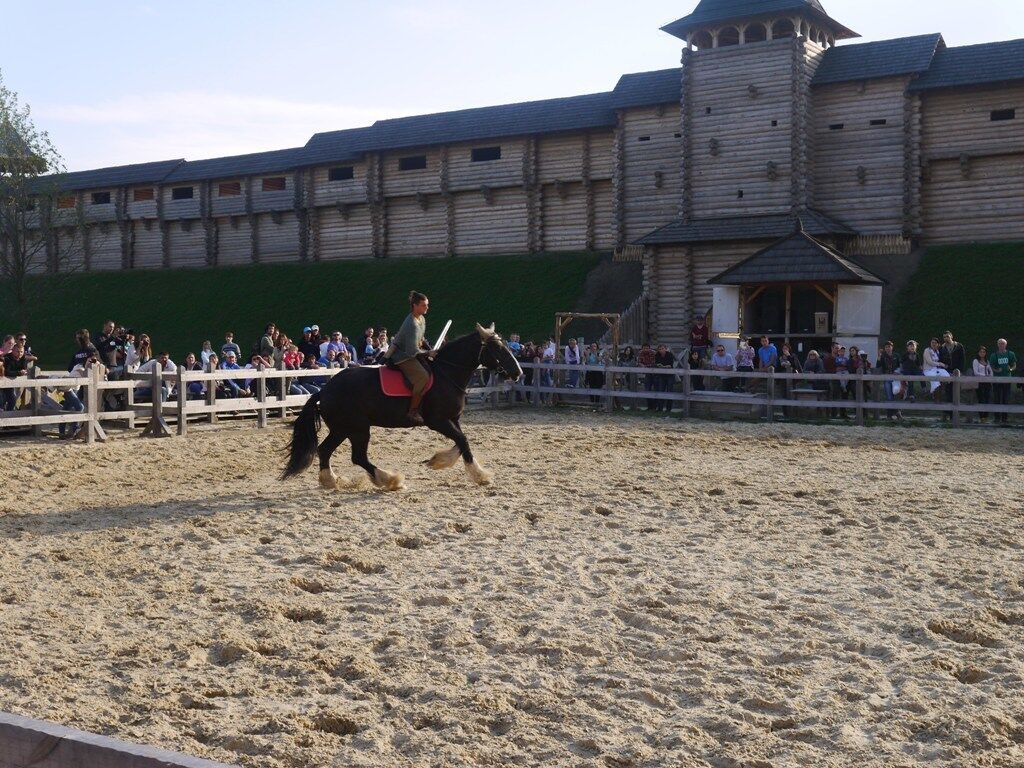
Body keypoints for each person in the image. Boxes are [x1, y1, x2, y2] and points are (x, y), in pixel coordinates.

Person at [385, 291, 434, 425]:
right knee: (422, 377)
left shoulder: (421, 319)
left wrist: (430, 349)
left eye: (427, 305)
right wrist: (429, 354)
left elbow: (421, 339)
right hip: (403, 356)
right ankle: (412, 411)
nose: (427, 308)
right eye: (424, 305)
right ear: (415, 306)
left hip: (414, 352)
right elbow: (412, 350)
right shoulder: (411, 324)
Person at [990, 338, 1017, 425]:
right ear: (997, 345)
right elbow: (992, 366)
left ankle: (1004, 418)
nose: (1001, 345)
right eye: (1000, 343)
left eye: (1003, 344)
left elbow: (1014, 365)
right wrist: (997, 370)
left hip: (1007, 379)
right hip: (997, 380)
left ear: (1006, 345)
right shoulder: (994, 355)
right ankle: (997, 418)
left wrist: (1011, 369)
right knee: (997, 398)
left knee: (1006, 399)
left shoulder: (1010, 354)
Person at [876, 341, 901, 418]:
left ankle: (896, 413)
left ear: (892, 347)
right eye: (886, 347)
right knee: (889, 396)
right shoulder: (883, 356)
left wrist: (897, 371)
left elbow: (900, 365)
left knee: (896, 395)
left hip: (895, 378)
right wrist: (879, 356)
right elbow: (878, 366)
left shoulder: (896, 355)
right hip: (887, 377)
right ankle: (892, 415)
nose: (888, 348)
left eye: (889, 346)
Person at [2, 343, 29, 411]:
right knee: (4, 400)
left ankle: (8, 415)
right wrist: (18, 373)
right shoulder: (7, 358)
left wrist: (20, 372)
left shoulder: (24, 359)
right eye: (17, 351)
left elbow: (24, 369)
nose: (20, 353)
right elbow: (7, 372)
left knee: (12, 400)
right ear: (13, 351)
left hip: (15, 382)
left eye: (21, 352)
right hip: (4, 382)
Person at [972, 346, 993, 423]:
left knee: (988, 399)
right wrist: (985, 376)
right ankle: (981, 417)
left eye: (984, 352)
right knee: (981, 399)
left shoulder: (987, 361)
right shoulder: (975, 361)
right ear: (978, 353)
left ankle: (986, 417)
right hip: (979, 382)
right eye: (981, 352)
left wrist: (990, 376)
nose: (982, 353)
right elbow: (976, 372)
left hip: (987, 383)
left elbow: (991, 371)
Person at [653, 344, 676, 413]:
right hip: (661, 375)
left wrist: (664, 366)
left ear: (665, 349)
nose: (661, 350)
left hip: (669, 375)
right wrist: (658, 365)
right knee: (661, 391)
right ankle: (660, 408)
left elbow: (670, 365)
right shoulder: (657, 355)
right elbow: (656, 363)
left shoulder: (669, 355)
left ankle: (668, 409)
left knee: (669, 391)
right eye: (660, 349)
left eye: (662, 348)